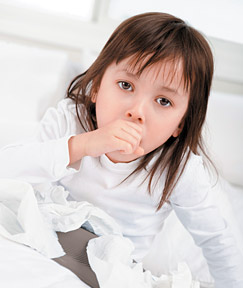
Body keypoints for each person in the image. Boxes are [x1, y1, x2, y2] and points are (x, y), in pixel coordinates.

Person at [0, 12, 243, 287]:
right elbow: (8, 170)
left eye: (163, 101)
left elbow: (217, 241)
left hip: (109, 272)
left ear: (180, 124)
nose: (137, 111)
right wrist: (82, 145)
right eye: (126, 85)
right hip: (44, 238)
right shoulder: (70, 120)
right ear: (96, 87)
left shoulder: (180, 168)